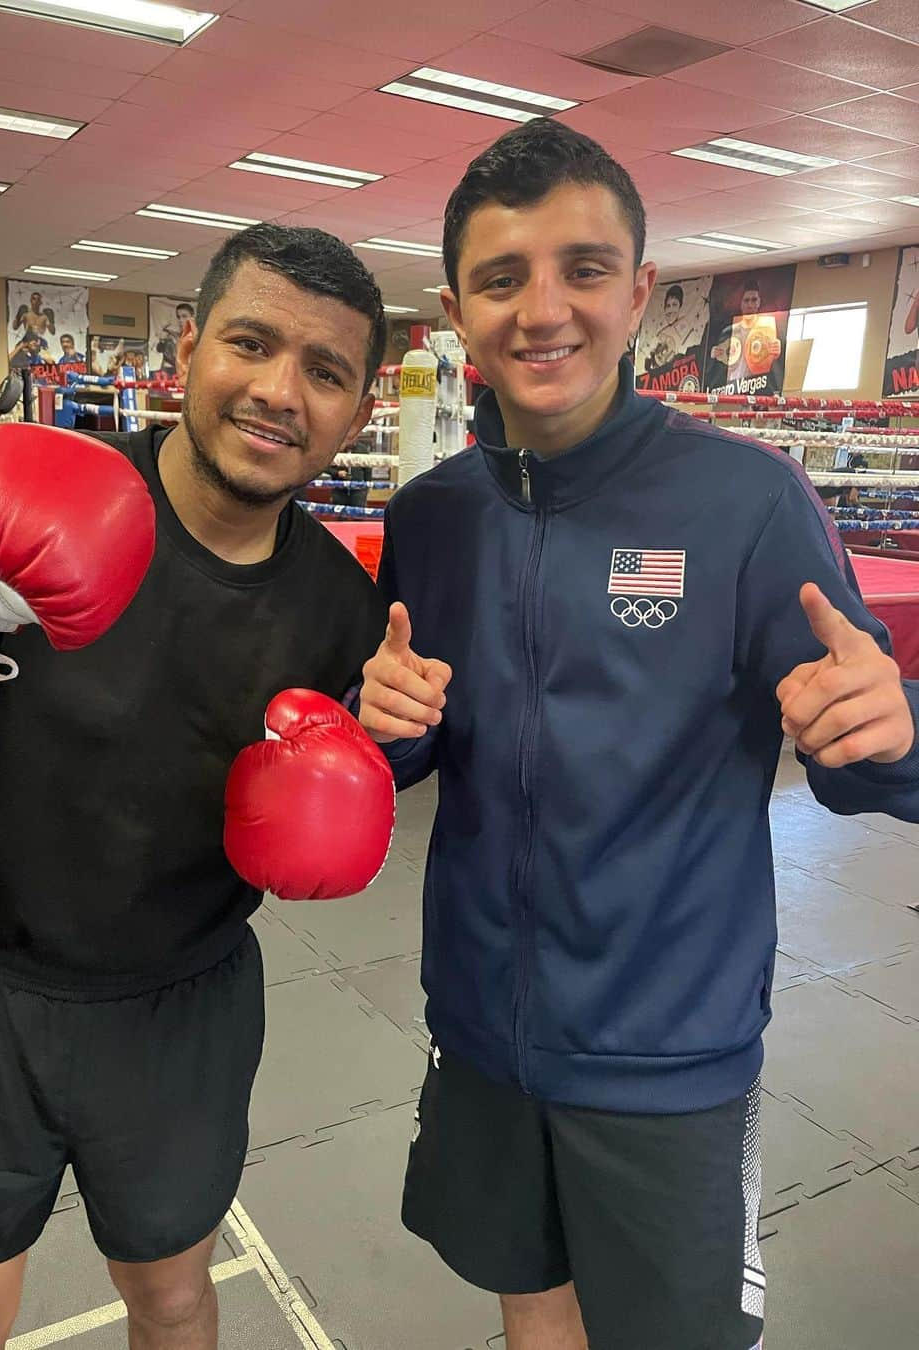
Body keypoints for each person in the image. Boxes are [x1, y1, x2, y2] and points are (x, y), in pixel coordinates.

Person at [357, 118, 919, 1350]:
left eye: (584, 269)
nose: (542, 309)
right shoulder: (433, 517)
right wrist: (378, 729)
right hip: (483, 1027)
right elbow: (407, 748)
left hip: (666, 1053)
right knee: (530, 1305)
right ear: (458, 310)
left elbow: (872, 737)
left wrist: (891, 727)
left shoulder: (746, 499)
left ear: (642, 292)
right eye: (502, 278)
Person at [0, 222, 391, 1349]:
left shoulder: (340, 606)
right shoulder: (30, 483)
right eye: (251, 342)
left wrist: (379, 754)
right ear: (188, 348)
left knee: (176, 1298)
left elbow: (362, 779)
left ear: (359, 407)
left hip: (181, 1004)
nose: (281, 392)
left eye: (325, 372)